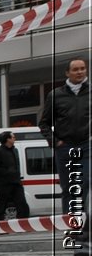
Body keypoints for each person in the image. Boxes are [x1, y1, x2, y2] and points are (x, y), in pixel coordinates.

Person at [39, 57, 89, 239]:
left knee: (85, 182)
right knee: (69, 187)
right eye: (76, 69)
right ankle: (73, 226)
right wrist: (55, 141)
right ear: (67, 73)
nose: (80, 72)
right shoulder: (55, 95)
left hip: (86, 145)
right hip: (64, 146)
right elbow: (44, 123)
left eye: (83, 68)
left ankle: (85, 225)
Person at [0, 132, 32, 220]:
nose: (14, 138)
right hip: (3, 184)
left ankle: (23, 224)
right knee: (1, 206)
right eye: (13, 137)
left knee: (22, 204)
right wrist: (7, 172)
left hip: (15, 183)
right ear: (7, 139)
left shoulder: (14, 150)